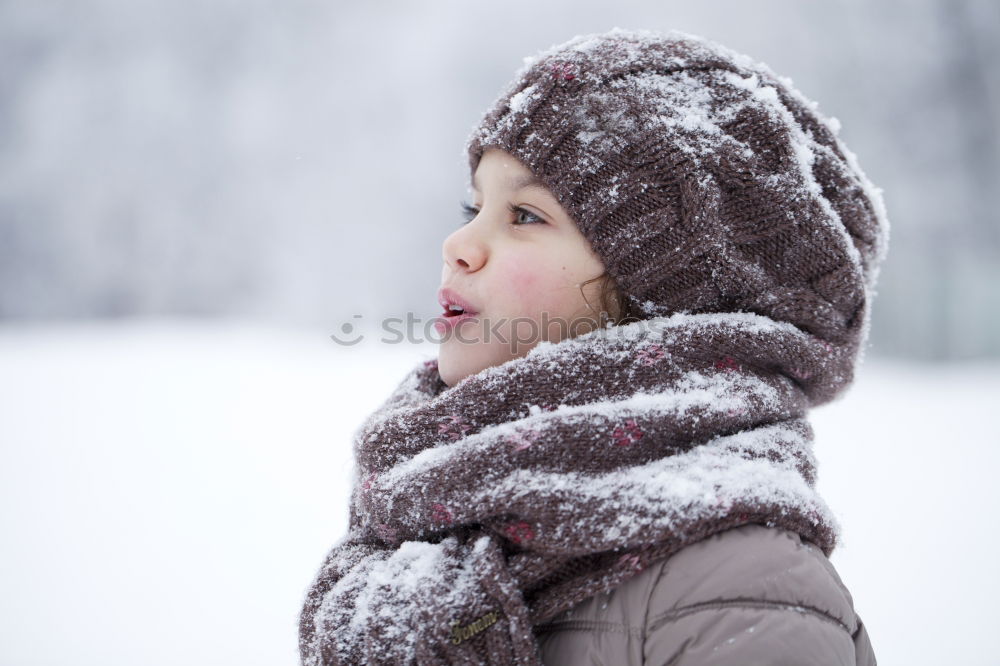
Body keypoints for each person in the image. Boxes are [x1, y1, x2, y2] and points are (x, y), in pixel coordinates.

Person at [299, 27, 888, 665]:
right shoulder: (430, 514)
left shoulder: (739, 586)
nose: (458, 244)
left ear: (664, 298)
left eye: (525, 215)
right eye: (472, 208)